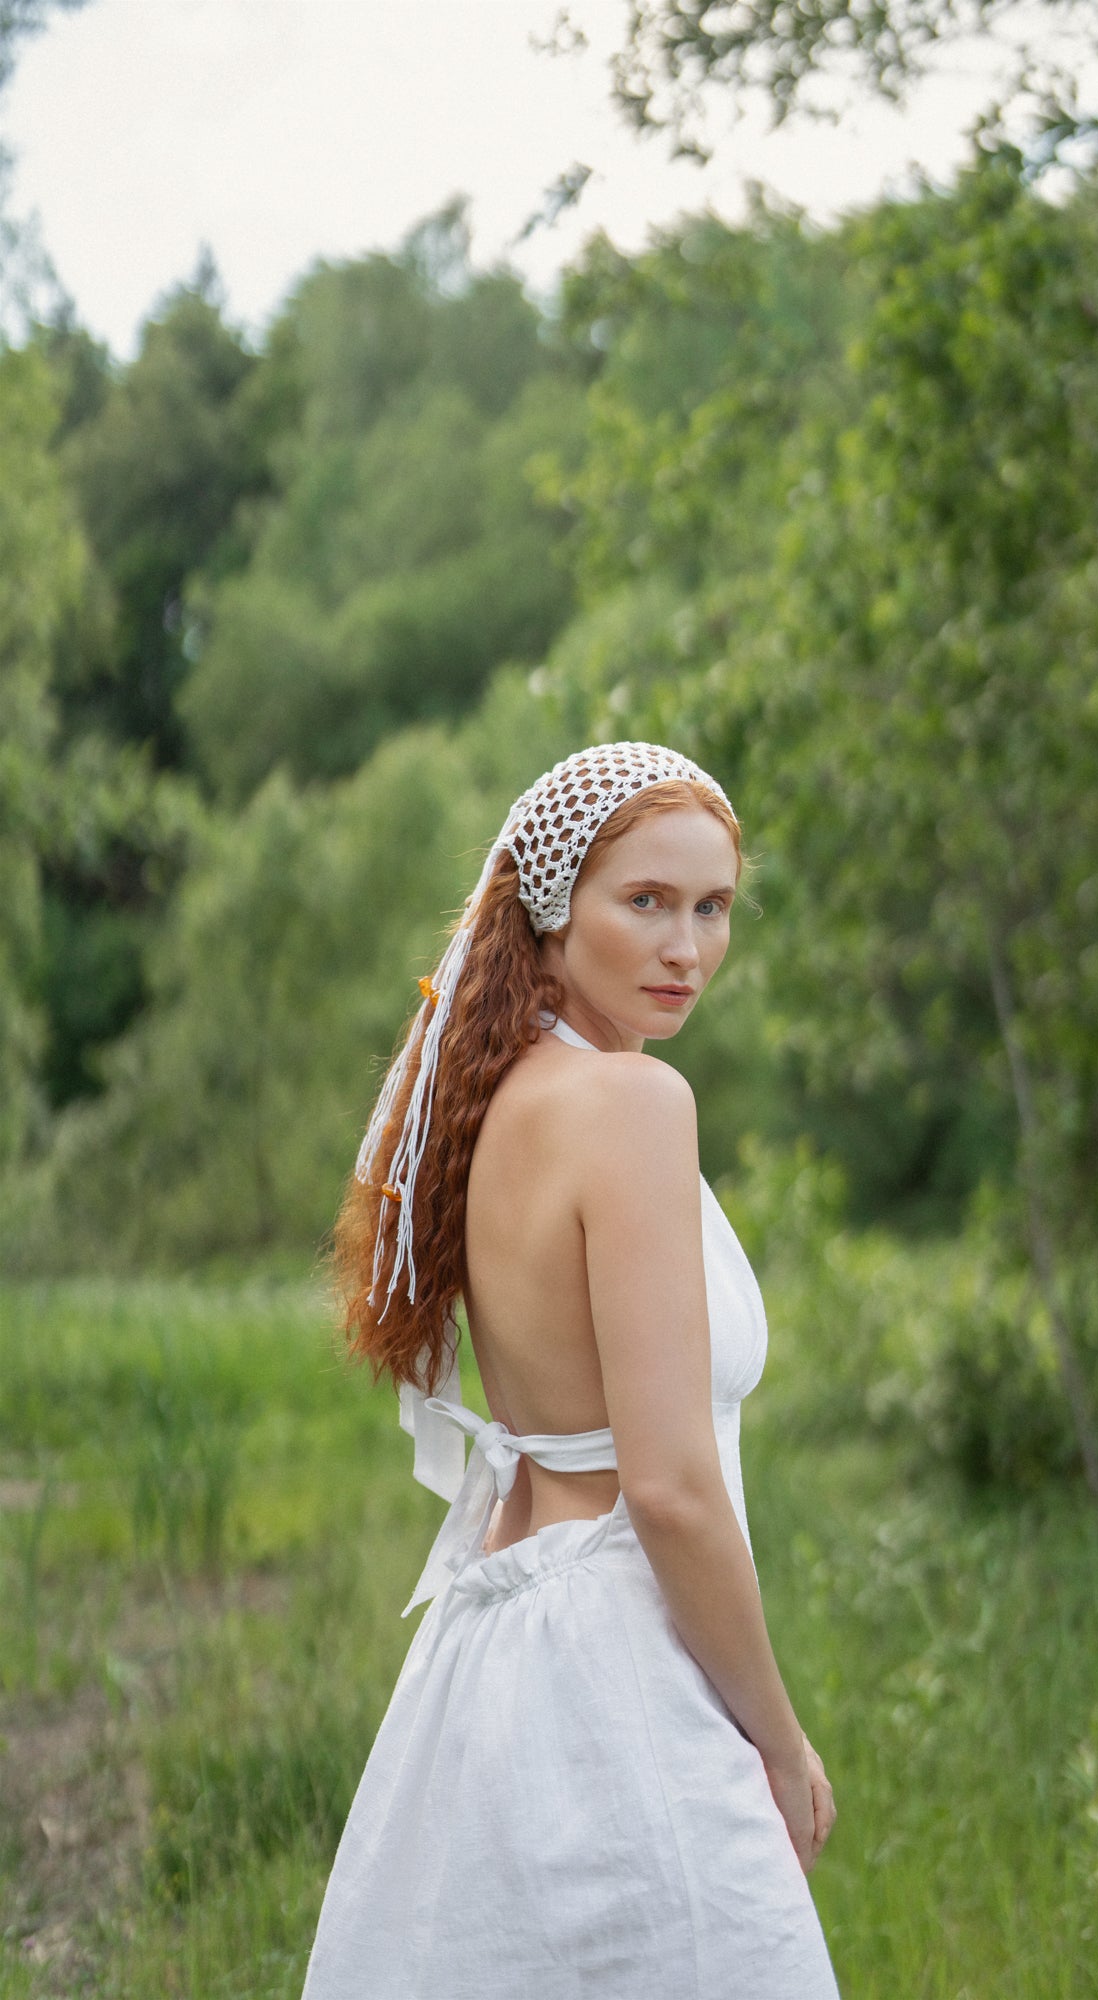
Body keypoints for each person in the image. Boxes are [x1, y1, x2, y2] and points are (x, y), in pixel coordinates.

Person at [301, 742, 839, 1999]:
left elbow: (547, 1450)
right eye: (643, 901)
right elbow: (669, 1487)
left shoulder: (506, 1099)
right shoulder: (633, 1107)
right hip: (629, 1658)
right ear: (547, 915)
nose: (686, 949)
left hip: (510, 1632)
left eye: (712, 907)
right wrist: (776, 1732)